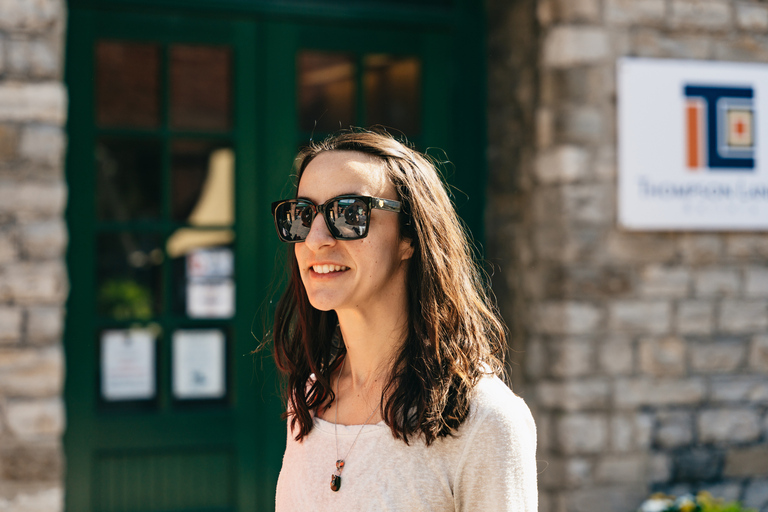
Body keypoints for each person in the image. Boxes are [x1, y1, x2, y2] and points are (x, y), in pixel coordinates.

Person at [270, 129, 537, 511]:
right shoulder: (310, 401)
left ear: (409, 237)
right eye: (301, 215)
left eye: (349, 213)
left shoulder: (483, 420)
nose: (315, 239)